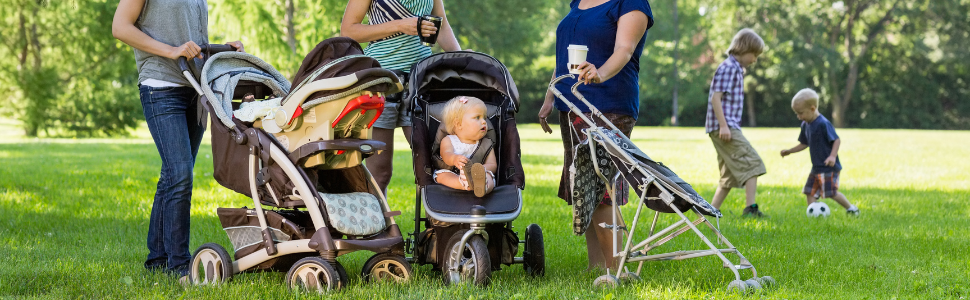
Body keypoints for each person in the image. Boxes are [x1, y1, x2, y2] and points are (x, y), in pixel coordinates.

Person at [112, 0, 245, 279]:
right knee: (180, 173)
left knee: (173, 176)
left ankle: (158, 259)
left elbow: (188, 41)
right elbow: (120, 27)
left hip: (194, 88)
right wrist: (172, 51)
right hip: (160, 86)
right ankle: (179, 264)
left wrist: (220, 49)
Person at [537, 0, 653, 270]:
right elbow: (566, 58)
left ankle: (617, 270)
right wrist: (550, 95)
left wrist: (600, 73)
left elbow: (625, 49)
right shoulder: (578, 2)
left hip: (608, 104)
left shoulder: (630, 3)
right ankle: (597, 268)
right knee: (584, 188)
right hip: (572, 104)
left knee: (601, 188)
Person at [340, 0, 465, 194]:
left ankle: (438, 222)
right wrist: (400, 25)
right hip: (381, 82)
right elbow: (348, 30)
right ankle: (382, 223)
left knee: (433, 162)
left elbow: (441, 26)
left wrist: (461, 58)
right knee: (380, 171)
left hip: (421, 80)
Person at [704, 28, 767, 217]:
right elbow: (716, 98)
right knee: (753, 164)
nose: (755, 59)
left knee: (728, 176)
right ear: (743, 49)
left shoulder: (736, 69)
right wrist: (724, 125)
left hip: (724, 126)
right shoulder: (729, 68)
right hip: (724, 127)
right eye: (754, 54)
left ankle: (710, 211)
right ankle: (750, 209)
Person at [781, 89, 860, 215]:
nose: (798, 117)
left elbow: (836, 140)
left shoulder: (823, 124)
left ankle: (851, 209)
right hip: (816, 167)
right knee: (809, 191)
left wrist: (832, 156)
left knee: (831, 193)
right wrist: (790, 151)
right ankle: (813, 214)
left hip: (828, 167)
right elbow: (804, 143)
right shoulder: (805, 124)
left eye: (801, 113)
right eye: (797, 113)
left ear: (812, 109)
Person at [434, 96, 496, 197]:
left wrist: (480, 170)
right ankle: (463, 184)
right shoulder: (449, 140)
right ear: (458, 124)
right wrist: (454, 159)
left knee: (489, 176)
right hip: (453, 173)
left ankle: (483, 186)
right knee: (442, 175)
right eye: (477, 117)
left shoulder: (486, 144)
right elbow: (445, 155)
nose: (484, 121)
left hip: (479, 175)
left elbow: (492, 164)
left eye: (484, 117)